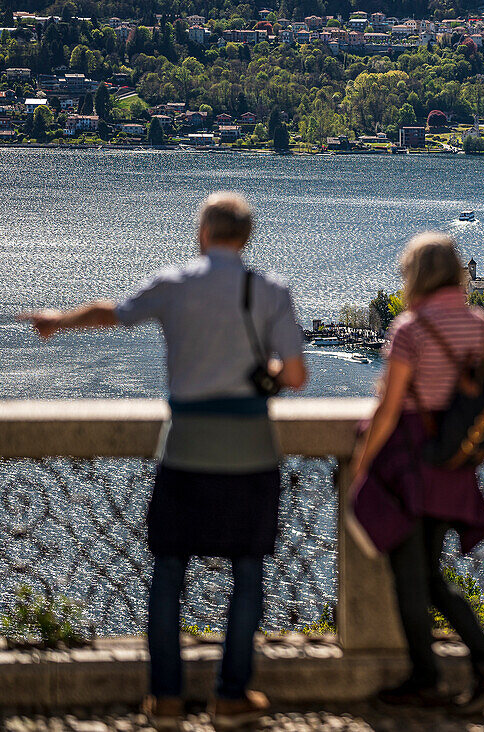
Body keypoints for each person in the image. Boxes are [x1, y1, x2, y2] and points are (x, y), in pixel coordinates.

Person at [22, 192, 307, 730]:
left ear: (202, 233)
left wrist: (56, 319)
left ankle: (166, 698)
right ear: (246, 238)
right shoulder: (270, 292)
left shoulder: (174, 285)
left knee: (168, 574)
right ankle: (230, 696)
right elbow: (294, 377)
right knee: (247, 573)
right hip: (250, 453)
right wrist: (262, 366)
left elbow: (113, 313)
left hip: (186, 451)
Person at [350, 232, 484, 710]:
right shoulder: (478, 324)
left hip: (407, 460)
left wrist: (363, 465)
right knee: (429, 575)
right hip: (450, 460)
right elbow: (469, 393)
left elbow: (389, 406)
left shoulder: (410, 328)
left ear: (415, 273)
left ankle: (429, 677)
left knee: (410, 578)